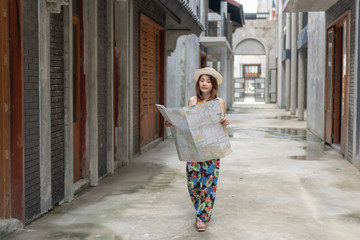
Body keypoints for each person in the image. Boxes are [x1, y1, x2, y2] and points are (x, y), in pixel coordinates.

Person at [165, 67, 229, 232]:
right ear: (198, 83)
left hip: (212, 149)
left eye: (208, 81)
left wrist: (224, 123)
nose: (205, 83)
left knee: (208, 184)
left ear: (214, 84)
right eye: (202, 80)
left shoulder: (219, 102)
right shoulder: (193, 101)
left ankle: (202, 217)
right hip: (193, 149)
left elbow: (220, 127)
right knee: (193, 184)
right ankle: (200, 210)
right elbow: (187, 125)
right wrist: (172, 122)